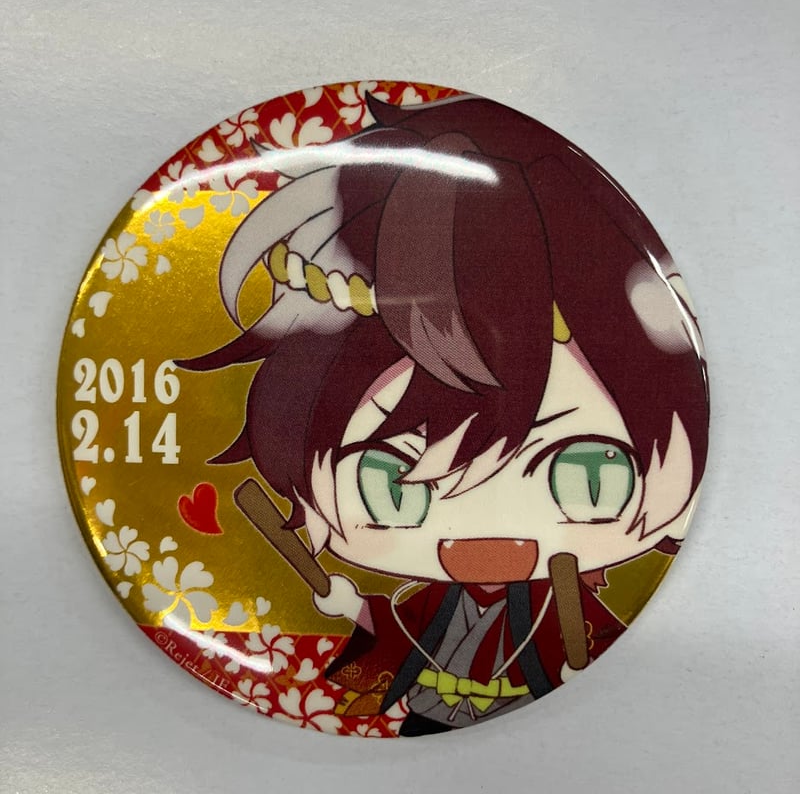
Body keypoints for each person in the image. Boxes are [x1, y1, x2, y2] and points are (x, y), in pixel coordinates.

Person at [180, 93, 708, 735]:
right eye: (390, 488)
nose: (482, 541)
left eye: (588, 474)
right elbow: (400, 634)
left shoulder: (564, 603)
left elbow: (583, 643)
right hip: (432, 719)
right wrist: (350, 606)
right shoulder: (435, 603)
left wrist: (581, 667)